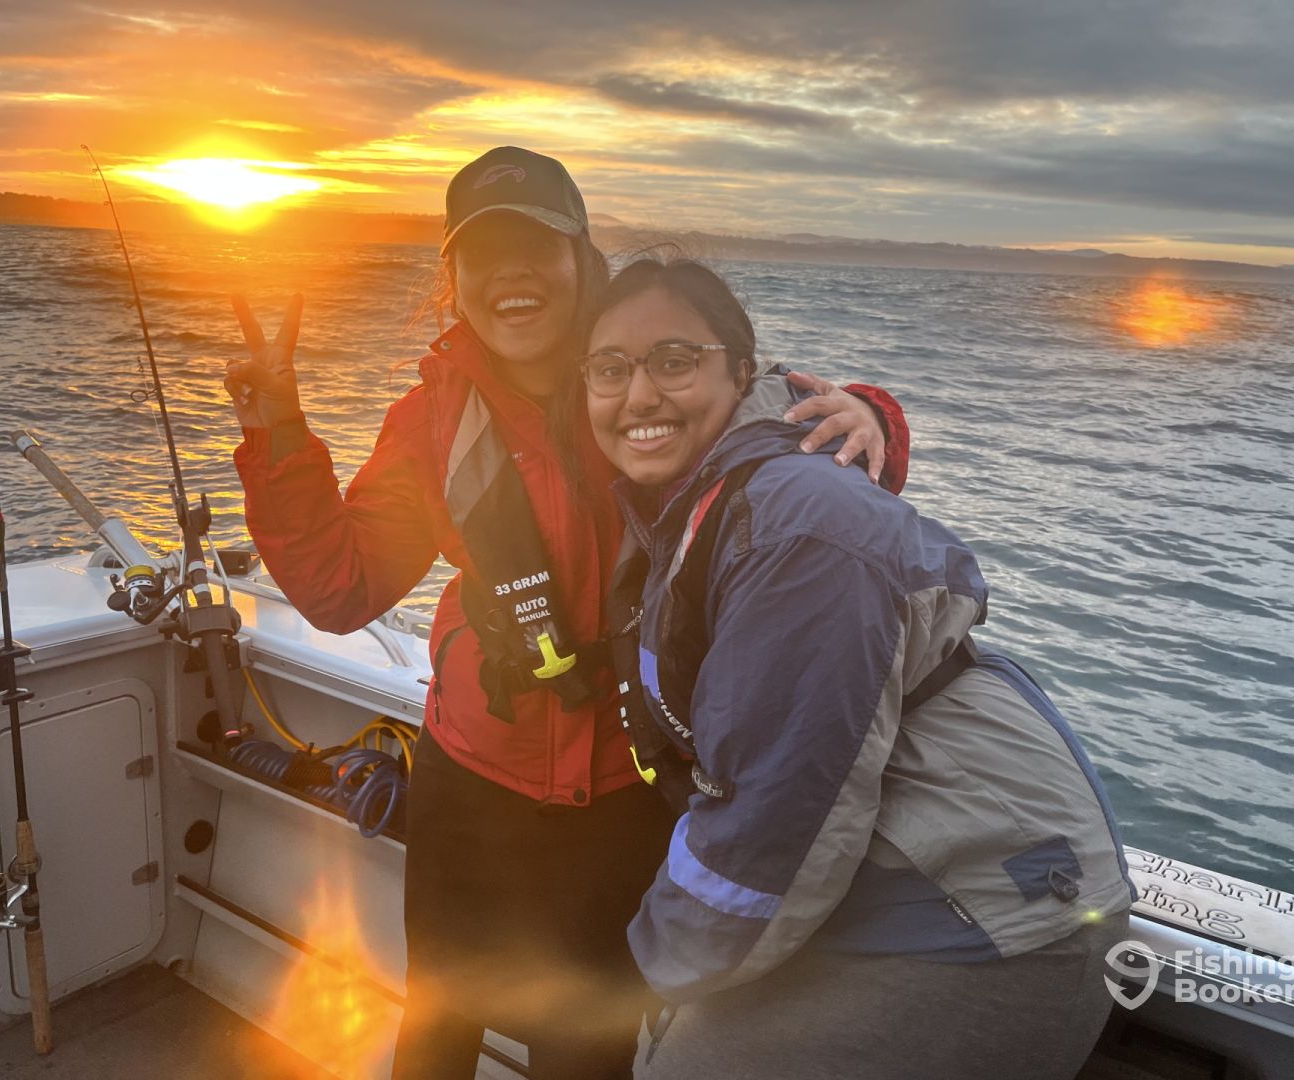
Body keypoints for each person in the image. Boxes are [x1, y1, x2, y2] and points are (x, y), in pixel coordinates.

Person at [223, 147, 911, 1080]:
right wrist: (276, 433)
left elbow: (784, 425)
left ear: (582, 257)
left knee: (585, 1052)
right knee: (436, 1024)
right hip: (469, 783)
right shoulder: (430, 421)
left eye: (536, 246)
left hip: (630, 796)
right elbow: (340, 590)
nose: (510, 274)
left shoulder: (649, 377)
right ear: (454, 280)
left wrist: (870, 413)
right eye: (481, 254)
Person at [582, 257, 1136, 1080]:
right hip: (898, 873)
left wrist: (650, 970)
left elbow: (782, 810)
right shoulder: (709, 497)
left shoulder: (793, 524)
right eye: (609, 369)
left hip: (981, 909)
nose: (639, 395)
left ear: (743, 372)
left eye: (674, 360)